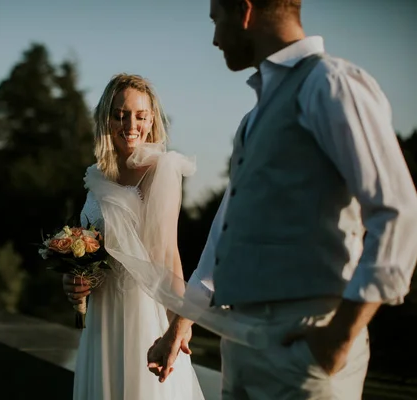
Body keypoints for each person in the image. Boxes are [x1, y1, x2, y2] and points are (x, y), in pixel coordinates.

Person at [146, 0, 417, 399]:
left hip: (305, 347)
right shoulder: (252, 119)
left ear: (244, 11)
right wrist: (182, 324)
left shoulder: (330, 84)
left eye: (216, 20)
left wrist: (339, 337)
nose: (216, 39)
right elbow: (225, 236)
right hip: (239, 344)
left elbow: (397, 211)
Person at [62, 73, 205, 400]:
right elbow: (91, 251)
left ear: (152, 120)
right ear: (106, 118)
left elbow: (169, 255)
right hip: (101, 322)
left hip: (142, 317)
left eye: (140, 116)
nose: (131, 125)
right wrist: (75, 284)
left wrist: (178, 327)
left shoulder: (162, 170)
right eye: (120, 115)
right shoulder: (98, 174)